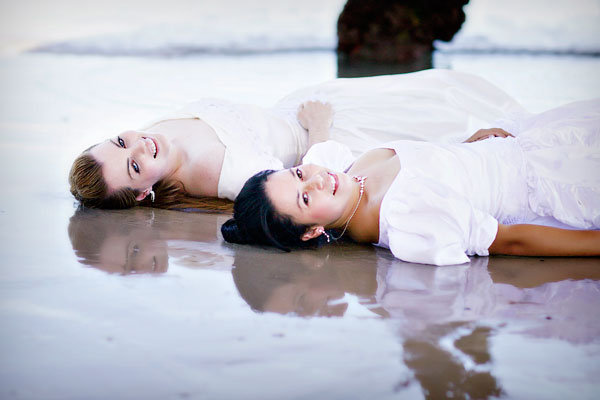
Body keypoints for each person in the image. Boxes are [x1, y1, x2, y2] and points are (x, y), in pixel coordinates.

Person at [68, 69, 525, 211]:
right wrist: (321, 127)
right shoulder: (223, 176)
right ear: (144, 190)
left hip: (301, 106)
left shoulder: (154, 134)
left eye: (119, 141)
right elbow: (310, 181)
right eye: (132, 165)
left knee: (441, 87)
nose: (138, 146)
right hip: (334, 134)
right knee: (447, 125)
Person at [221, 99, 600, 265]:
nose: (316, 181)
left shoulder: (342, 172)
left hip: (529, 142)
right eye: (304, 198)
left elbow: (317, 156)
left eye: (299, 174)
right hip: (551, 182)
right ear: (311, 232)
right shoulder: (406, 218)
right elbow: (510, 240)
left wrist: (468, 147)